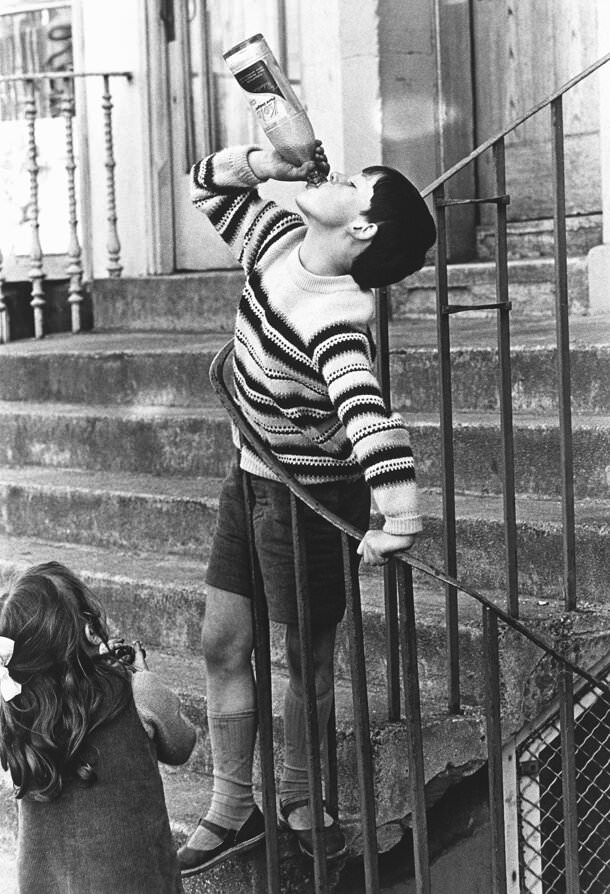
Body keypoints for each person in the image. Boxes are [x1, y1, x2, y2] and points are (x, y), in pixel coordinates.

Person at [177, 141, 436, 875]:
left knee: (307, 661)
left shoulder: (338, 321)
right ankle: (234, 807)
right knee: (222, 643)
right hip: (252, 477)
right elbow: (206, 187)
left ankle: (301, 795)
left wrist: (399, 522)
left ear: (361, 230)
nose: (336, 175)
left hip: (313, 498)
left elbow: (373, 423)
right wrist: (263, 160)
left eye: (354, 183)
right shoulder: (277, 241)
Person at [0, 561, 197, 894]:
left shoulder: (14, 712)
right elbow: (181, 744)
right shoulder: (137, 691)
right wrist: (143, 675)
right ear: (89, 629)